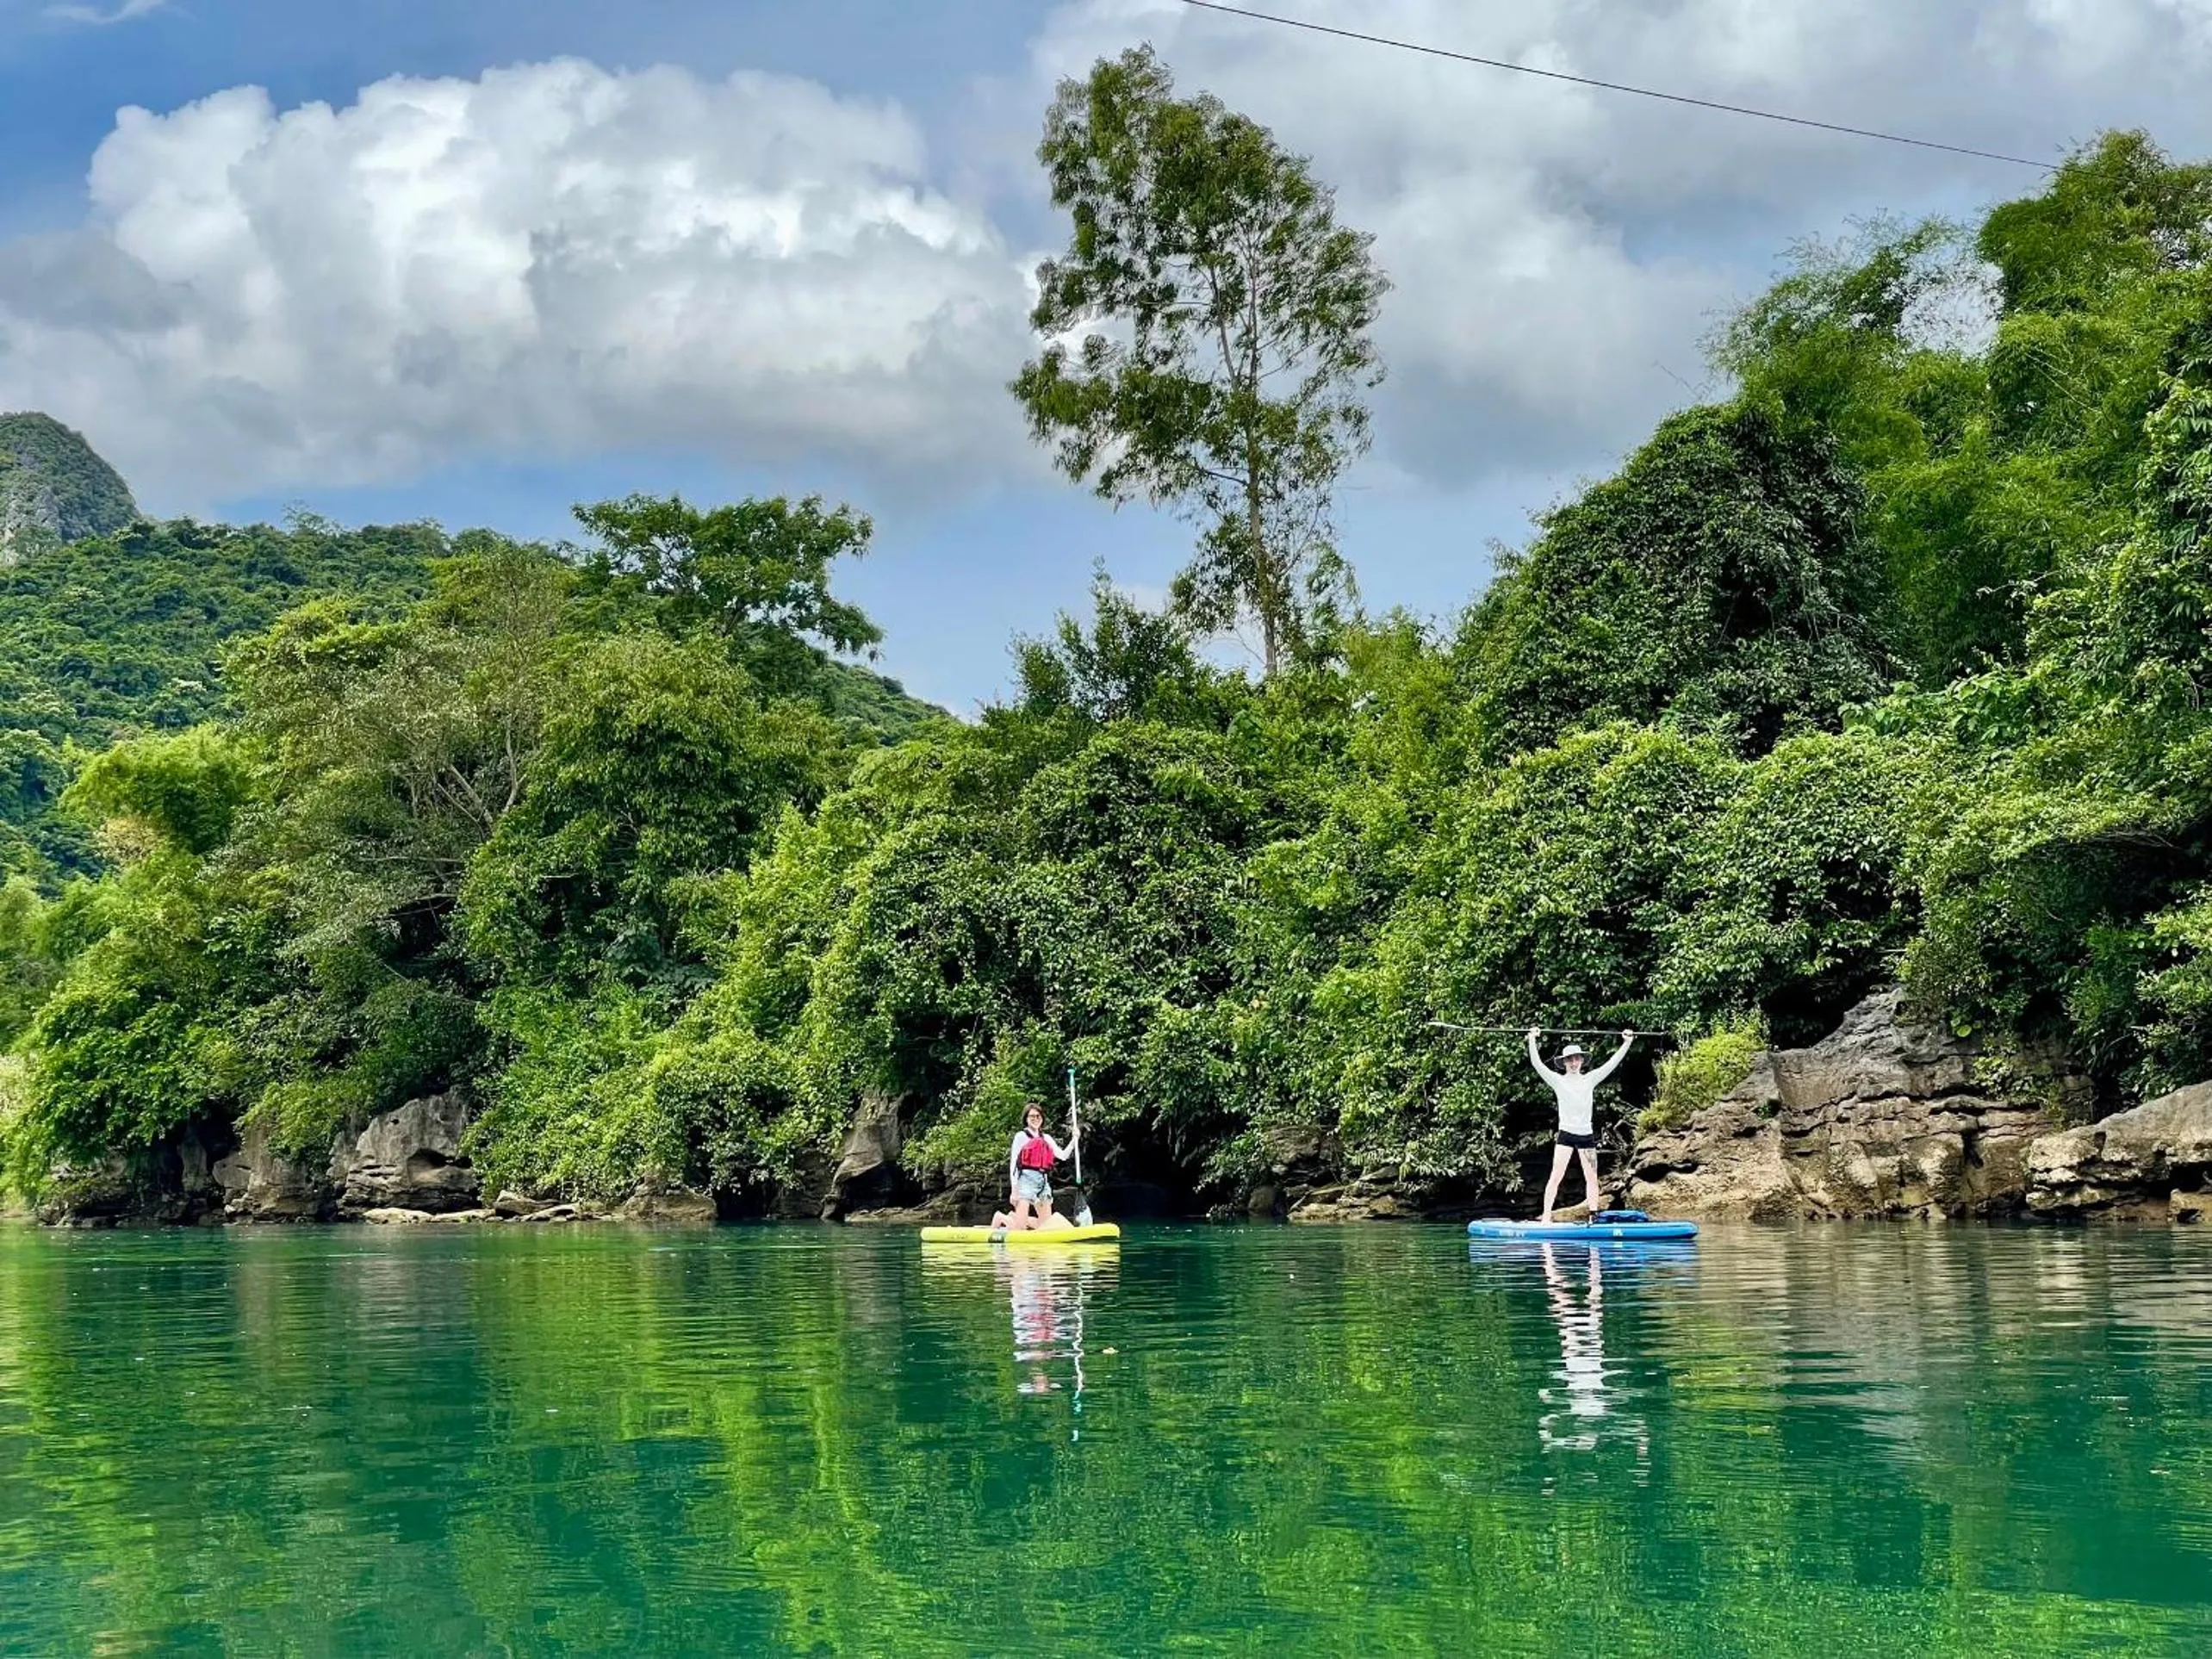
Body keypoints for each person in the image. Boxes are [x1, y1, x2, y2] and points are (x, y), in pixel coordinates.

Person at [1526, 1028, 1635, 1223]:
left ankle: (1593, 1216)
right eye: (1570, 1060)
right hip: (1566, 1134)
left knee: (1591, 1177)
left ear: (1582, 1061)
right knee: (1556, 1176)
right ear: (1564, 1063)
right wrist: (1532, 1039)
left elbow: (1612, 1064)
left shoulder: (1590, 1079)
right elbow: (1537, 1064)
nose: (1574, 1063)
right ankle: (1546, 1218)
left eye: (1577, 1059)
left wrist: (1626, 1042)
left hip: (1586, 1134)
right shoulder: (1558, 1081)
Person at [996, 1102, 1078, 1231]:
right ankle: (1001, 1218)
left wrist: (1074, 1141)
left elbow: (1063, 1156)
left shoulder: (1046, 1138)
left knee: (1045, 1227)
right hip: (1026, 1181)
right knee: (1020, 1229)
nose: (1035, 1119)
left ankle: (1013, 1217)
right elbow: (1014, 1165)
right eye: (1032, 1117)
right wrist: (1014, 1190)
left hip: (1042, 1182)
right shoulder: (1020, 1137)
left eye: (1038, 1116)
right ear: (1026, 1119)